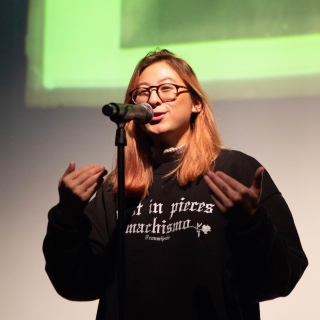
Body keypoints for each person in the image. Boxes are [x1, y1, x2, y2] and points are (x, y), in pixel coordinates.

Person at [43, 49, 308, 320]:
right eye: (142, 92)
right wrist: (67, 217)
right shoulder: (117, 187)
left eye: (167, 89)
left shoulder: (236, 169)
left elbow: (281, 278)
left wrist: (250, 224)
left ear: (196, 104)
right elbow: (77, 284)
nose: (153, 99)